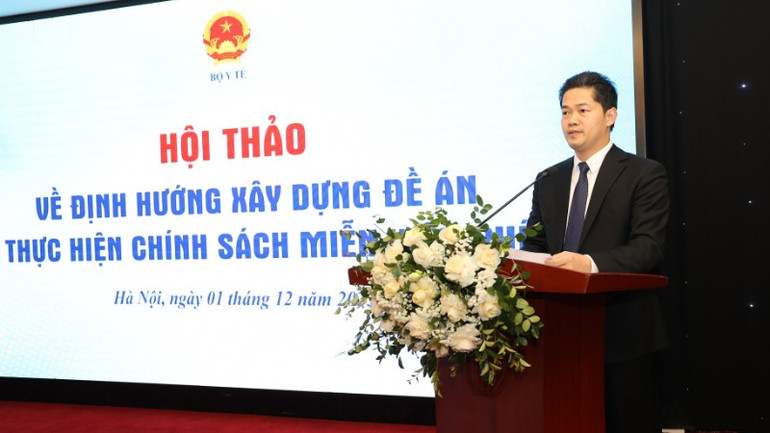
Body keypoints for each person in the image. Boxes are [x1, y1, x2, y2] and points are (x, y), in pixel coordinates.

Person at [522, 71, 669, 433]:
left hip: (623, 332)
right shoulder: (548, 179)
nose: (571, 120)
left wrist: (587, 264)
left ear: (610, 115)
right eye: (565, 112)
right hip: (558, 334)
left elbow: (648, 248)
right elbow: (535, 245)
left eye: (582, 110)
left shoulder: (644, 174)